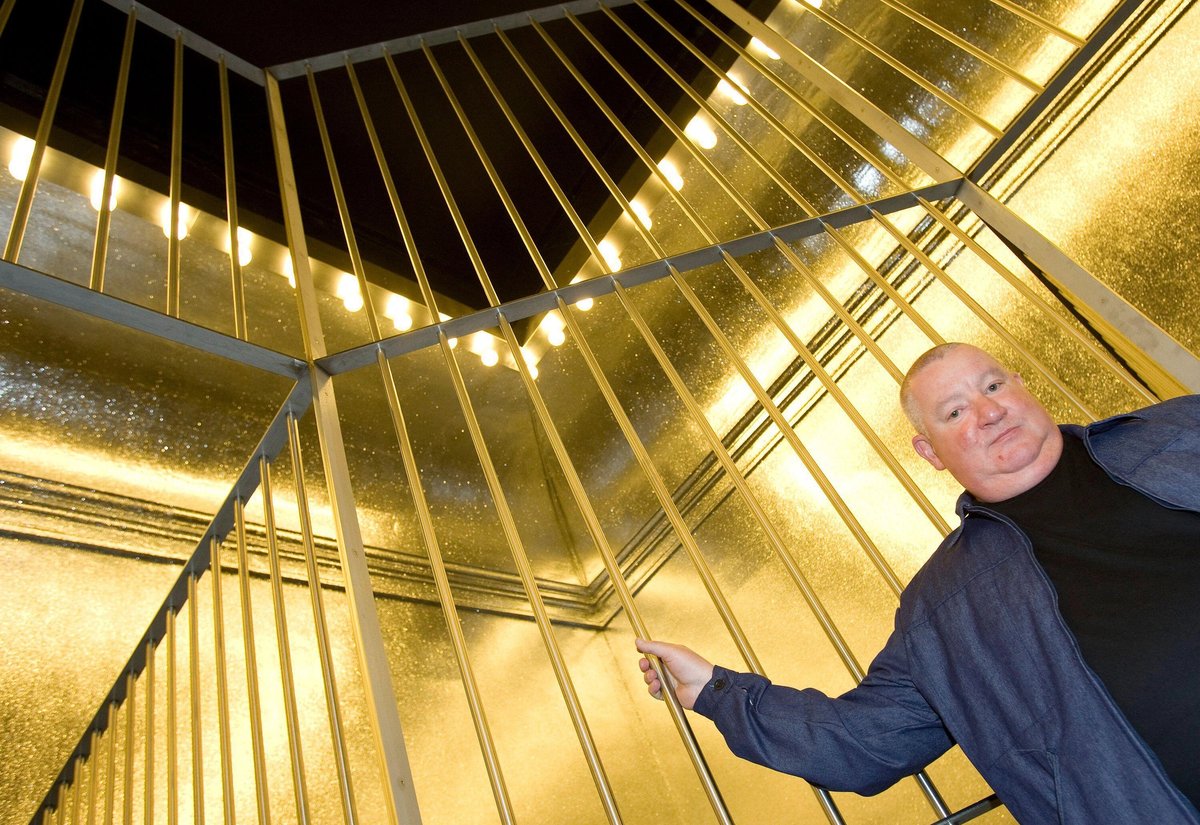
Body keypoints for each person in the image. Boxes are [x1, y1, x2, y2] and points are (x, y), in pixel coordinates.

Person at [636, 343, 1200, 824]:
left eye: (993, 385)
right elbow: (863, 743)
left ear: (1023, 387)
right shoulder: (943, 609)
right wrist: (715, 690)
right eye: (954, 412)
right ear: (929, 452)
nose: (988, 412)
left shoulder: (1179, 431)